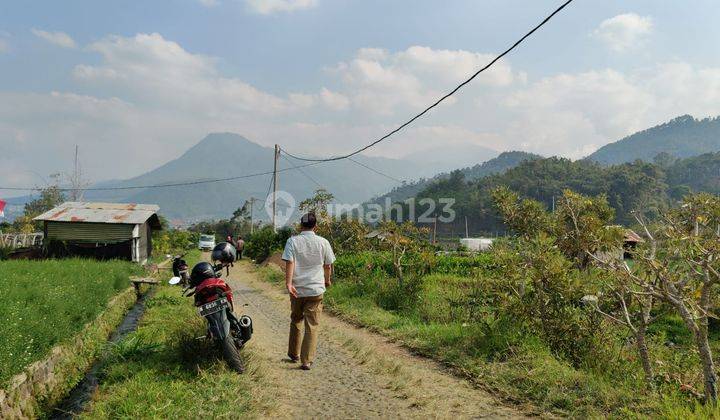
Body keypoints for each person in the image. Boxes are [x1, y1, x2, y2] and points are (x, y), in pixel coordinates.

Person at [281, 212, 335, 370]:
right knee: (312, 325)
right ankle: (306, 361)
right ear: (315, 226)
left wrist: (289, 283)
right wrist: (327, 280)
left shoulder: (292, 241)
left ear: (300, 225)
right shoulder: (323, 242)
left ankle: (293, 354)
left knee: (296, 319)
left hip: (297, 289)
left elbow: (290, 263)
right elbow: (327, 266)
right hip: (315, 290)